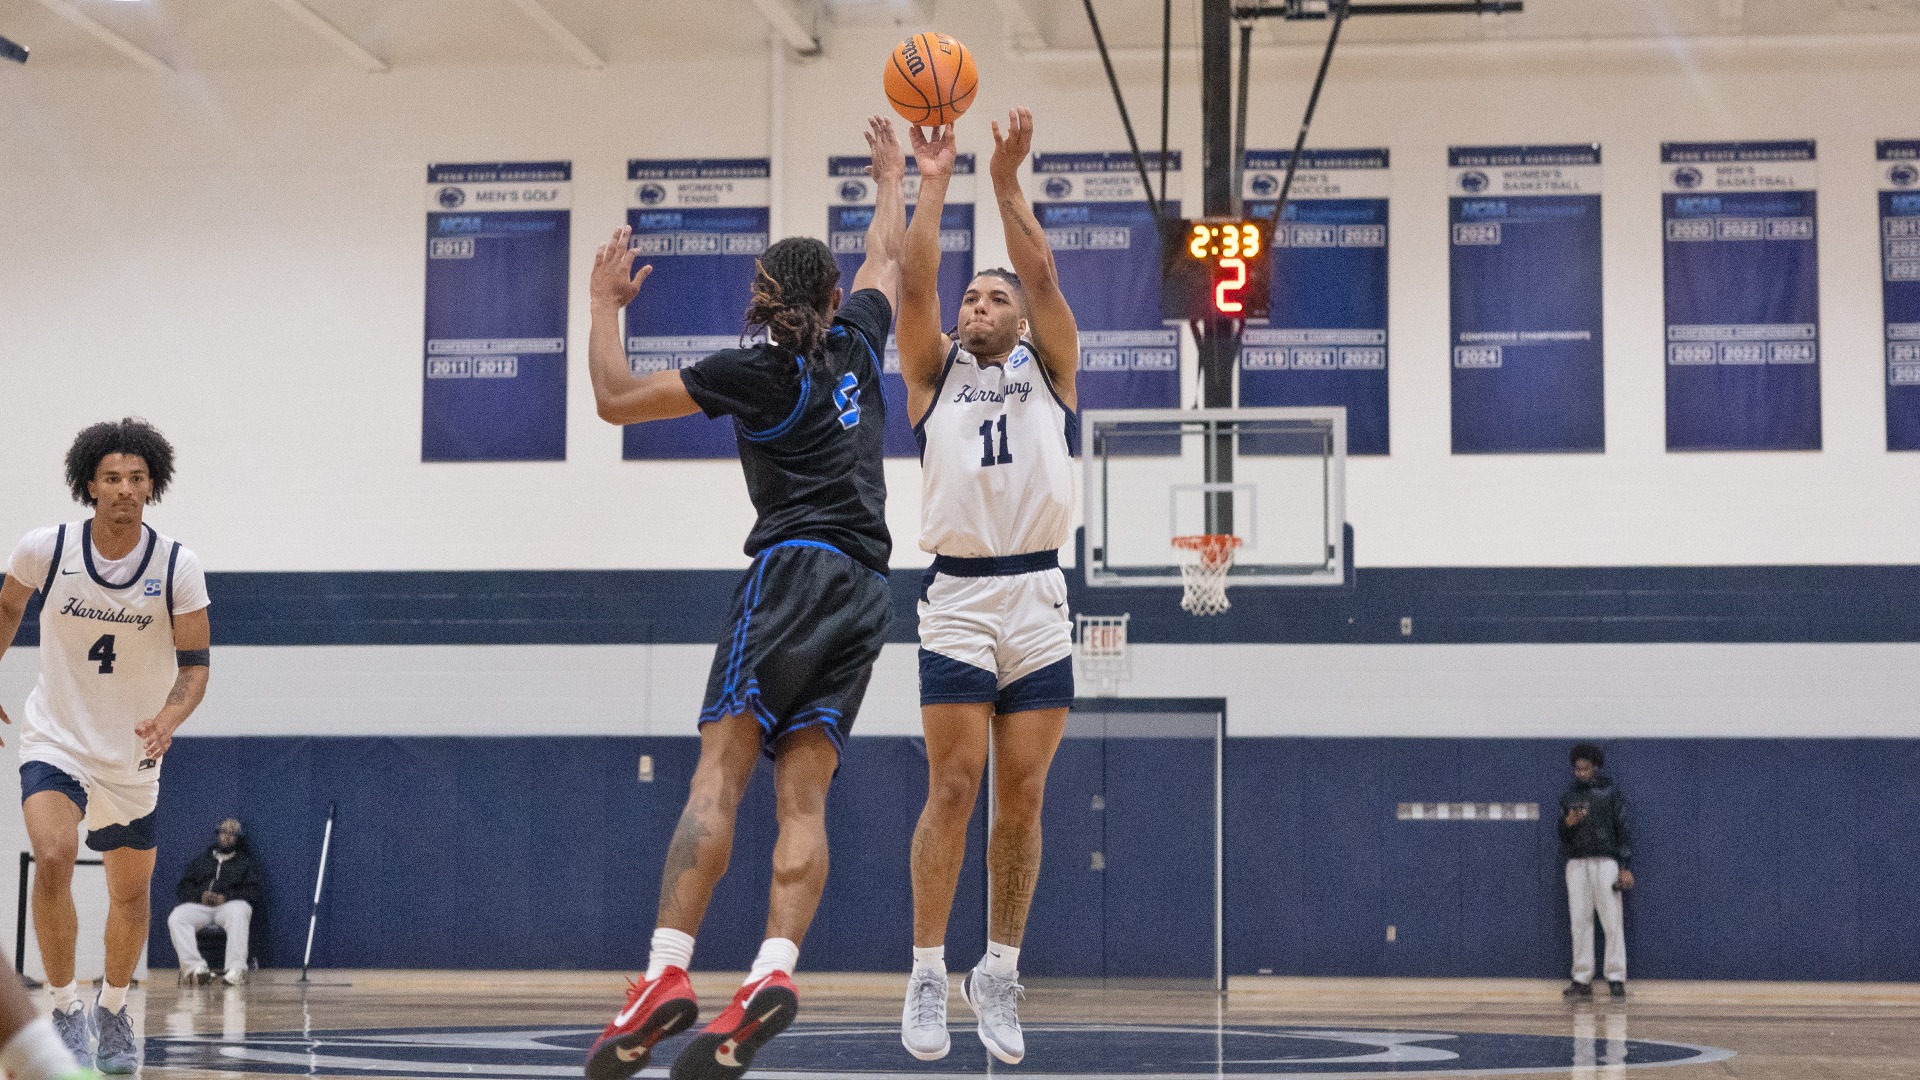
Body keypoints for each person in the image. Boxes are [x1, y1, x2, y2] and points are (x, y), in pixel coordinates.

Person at [579, 115, 906, 1080]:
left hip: (792, 571)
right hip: (868, 592)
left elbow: (613, 398)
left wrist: (603, 304)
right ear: (833, 297)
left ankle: (664, 974)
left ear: (760, 299)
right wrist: (894, 180)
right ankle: (772, 970)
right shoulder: (859, 342)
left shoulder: (754, 371)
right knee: (804, 795)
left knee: (718, 777)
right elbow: (887, 258)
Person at [893, 107, 1080, 1066]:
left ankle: (997, 972)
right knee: (956, 785)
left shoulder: (1054, 368)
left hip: (1040, 598)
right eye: (970, 297)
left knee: (1025, 798)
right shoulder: (933, 374)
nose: (977, 304)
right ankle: (927, 972)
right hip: (960, 598)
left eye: (992, 298)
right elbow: (914, 282)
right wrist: (934, 183)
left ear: (1019, 317)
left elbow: (1041, 273)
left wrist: (1005, 182)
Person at [0, 418, 212, 1073]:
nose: (124, 488)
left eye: (136, 478)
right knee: (53, 855)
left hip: (131, 754)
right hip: (56, 737)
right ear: (89, 485)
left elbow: (195, 665)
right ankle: (63, 1006)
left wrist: (170, 717)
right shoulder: (47, 548)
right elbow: (7, 608)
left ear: (153, 486)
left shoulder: (177, 565)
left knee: (128, 892)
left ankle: (114, 1008)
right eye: (112, 477)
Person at [1559, 742, 1634, 1000]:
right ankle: (1582, 979)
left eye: (1585, 768)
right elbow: (1562, 837)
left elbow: (1623, 830)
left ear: (1595, 767)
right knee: (1579, 922)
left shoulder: (1611, 793)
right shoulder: (1568, 797)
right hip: (1577, 862)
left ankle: (1616, 977)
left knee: (1612, 921)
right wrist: (1567, 825)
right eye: (1577, 769)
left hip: (1605, 861)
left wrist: (1625, 867)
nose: (1580, 773)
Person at [168, 817, 263, 985]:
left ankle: (236, 970)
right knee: (177, 917)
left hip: (228, 906)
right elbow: (183, 888)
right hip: (202, 907)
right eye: (223, 832)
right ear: (218, 834)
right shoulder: (202, 860)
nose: (227, 837)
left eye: (232, 834)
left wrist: (226, 897)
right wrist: (200, 895)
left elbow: (254, 892)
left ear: (237, 838)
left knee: (240, 910)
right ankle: (195, 969)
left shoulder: (245, 863)